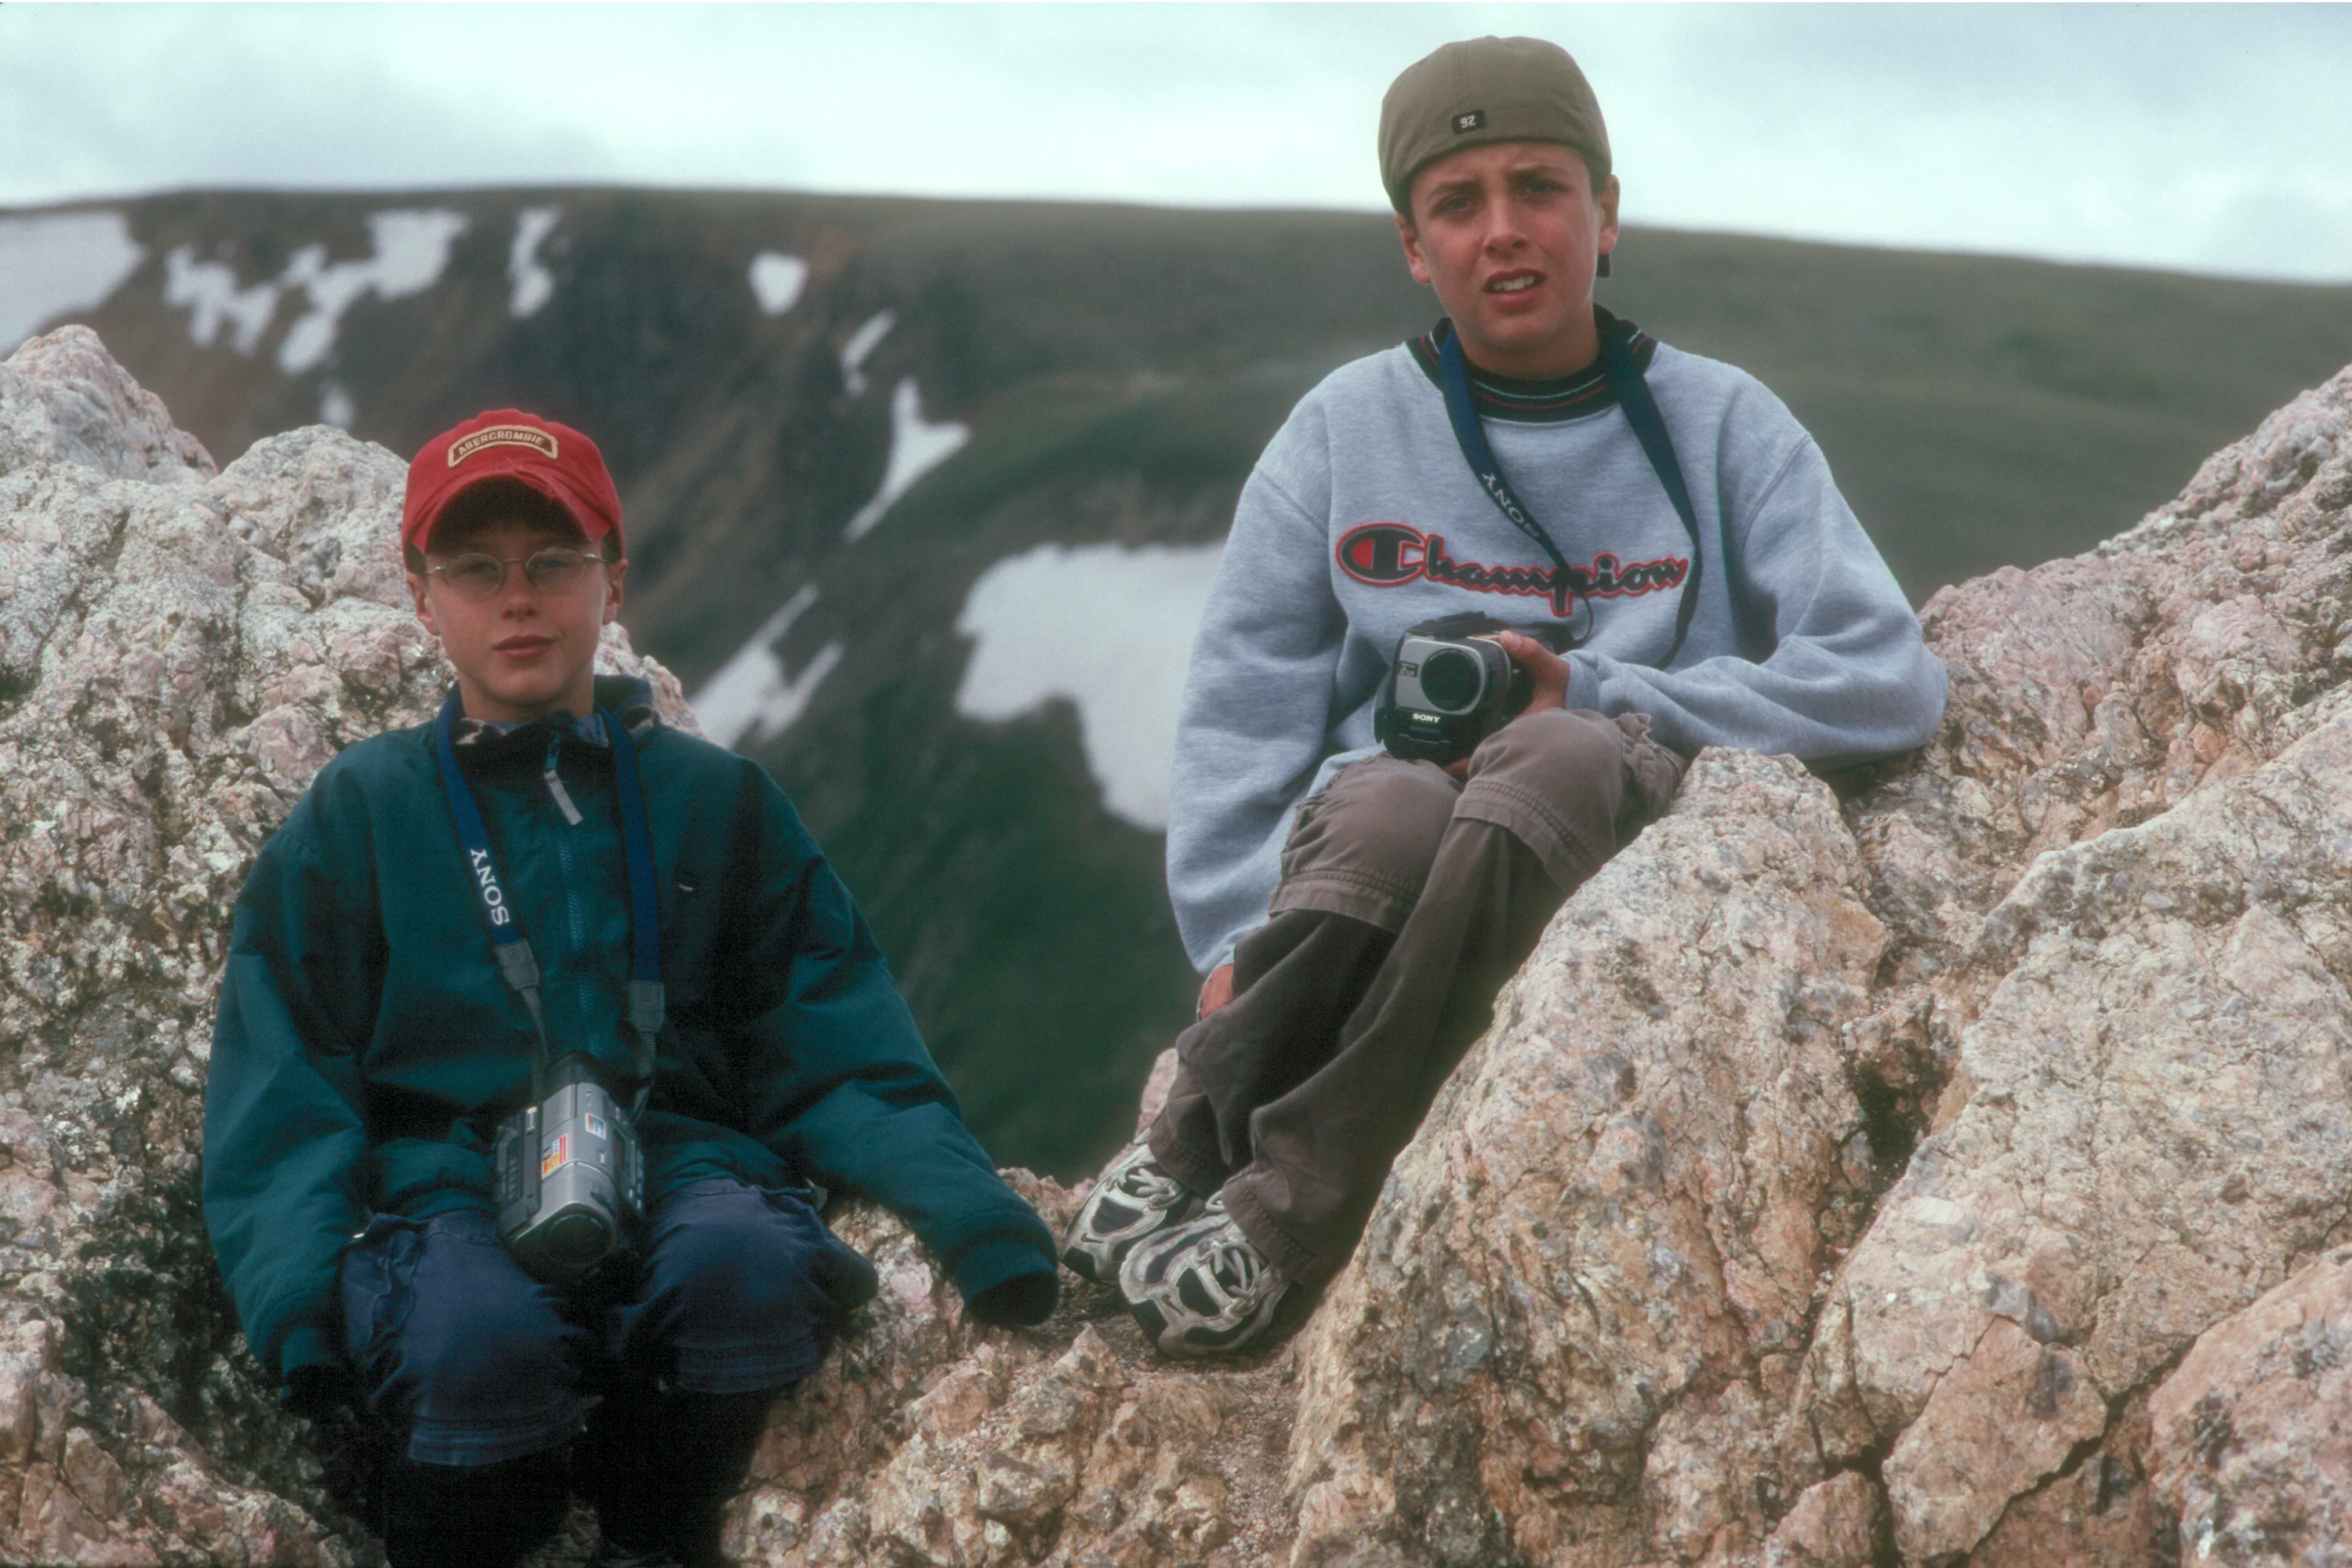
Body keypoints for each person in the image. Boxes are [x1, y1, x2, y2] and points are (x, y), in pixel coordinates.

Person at [1061, 36, 1947, 1356]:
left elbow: (1885, 677)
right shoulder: (1342, 429)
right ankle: (1195, 1130)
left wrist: (1597, 688)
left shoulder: (1723, 423)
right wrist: (1230, 936)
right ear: (1414, 248)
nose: (1505, 232)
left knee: (1555, 757)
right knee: (1384, 807)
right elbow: (1246, 705)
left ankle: (1286, 1204)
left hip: (1611, 799)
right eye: (1457, 204)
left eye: (1540, 187)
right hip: (1389, 829)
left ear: (1608, 214)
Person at [203, 410, 1060, 1568]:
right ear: (420, 596)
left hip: (680, 1154)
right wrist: (298, 1304)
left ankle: (659, 1532)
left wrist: (979, 1225)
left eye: (554, 562)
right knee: (471, 1342)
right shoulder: (362, 813)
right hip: (445, 1183)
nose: (520, 598)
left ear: (614, 578)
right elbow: (284, 1066)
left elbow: (837, 1037)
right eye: (475, 569)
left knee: (746, 1273)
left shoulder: (718, 798)